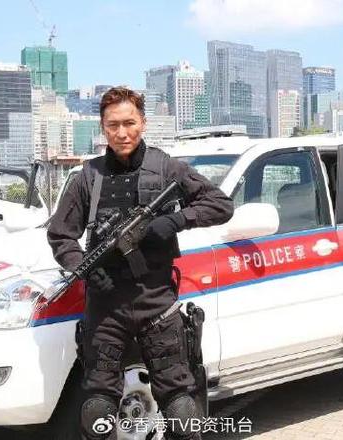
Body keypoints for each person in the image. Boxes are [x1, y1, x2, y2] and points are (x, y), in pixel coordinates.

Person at [47, 86, 233, 439]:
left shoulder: (167, 168)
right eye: (113, 125)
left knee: (180, 406)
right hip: (105, 306)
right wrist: (85, 267)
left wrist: (176, 220)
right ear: (102, 128)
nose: (122, 133)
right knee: (97, 408)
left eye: (129, 123)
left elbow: (220, 205)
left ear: (143, 123)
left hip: (156, 301)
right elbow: (60, 235)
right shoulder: (88, 177)